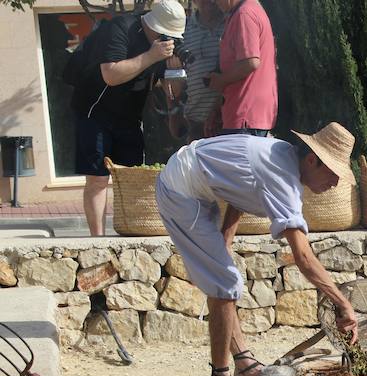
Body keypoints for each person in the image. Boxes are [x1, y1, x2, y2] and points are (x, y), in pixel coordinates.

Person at [155, 123, 360, 376]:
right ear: (312, 160)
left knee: (223, 279)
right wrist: (343, 303)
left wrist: (226, 236)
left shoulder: (280, 155)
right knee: (226, 284)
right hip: (180, 192)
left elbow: (240, 187)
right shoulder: (283, 177)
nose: (336, 183)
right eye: (334, 174)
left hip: (195, 184)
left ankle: (246, 366)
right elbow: (303, 257)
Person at [71, 0, 186, 236]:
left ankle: (132, 231)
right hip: (95, 111)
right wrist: (152, 56)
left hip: (130, 116)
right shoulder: (120, 28)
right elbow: (111, 75)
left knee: (131, 176)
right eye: (167, 34)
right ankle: (98, 238)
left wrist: (175, 69)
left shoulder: (162, 45)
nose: (169, 39)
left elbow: (172, 90)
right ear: (154, 26)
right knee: (98, 178)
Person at [207, 0, 277, 137]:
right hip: (246, 115)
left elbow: (250, 62)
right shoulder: (244, 11)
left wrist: (221, 80)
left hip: (245, 116)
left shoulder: (244, 14)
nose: (213, 1)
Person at [167, 0, 225, 142]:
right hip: (194, 123)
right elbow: (171, 74)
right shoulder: (182, 30)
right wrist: (173, 114)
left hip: (227, 121)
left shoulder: (233, 23)